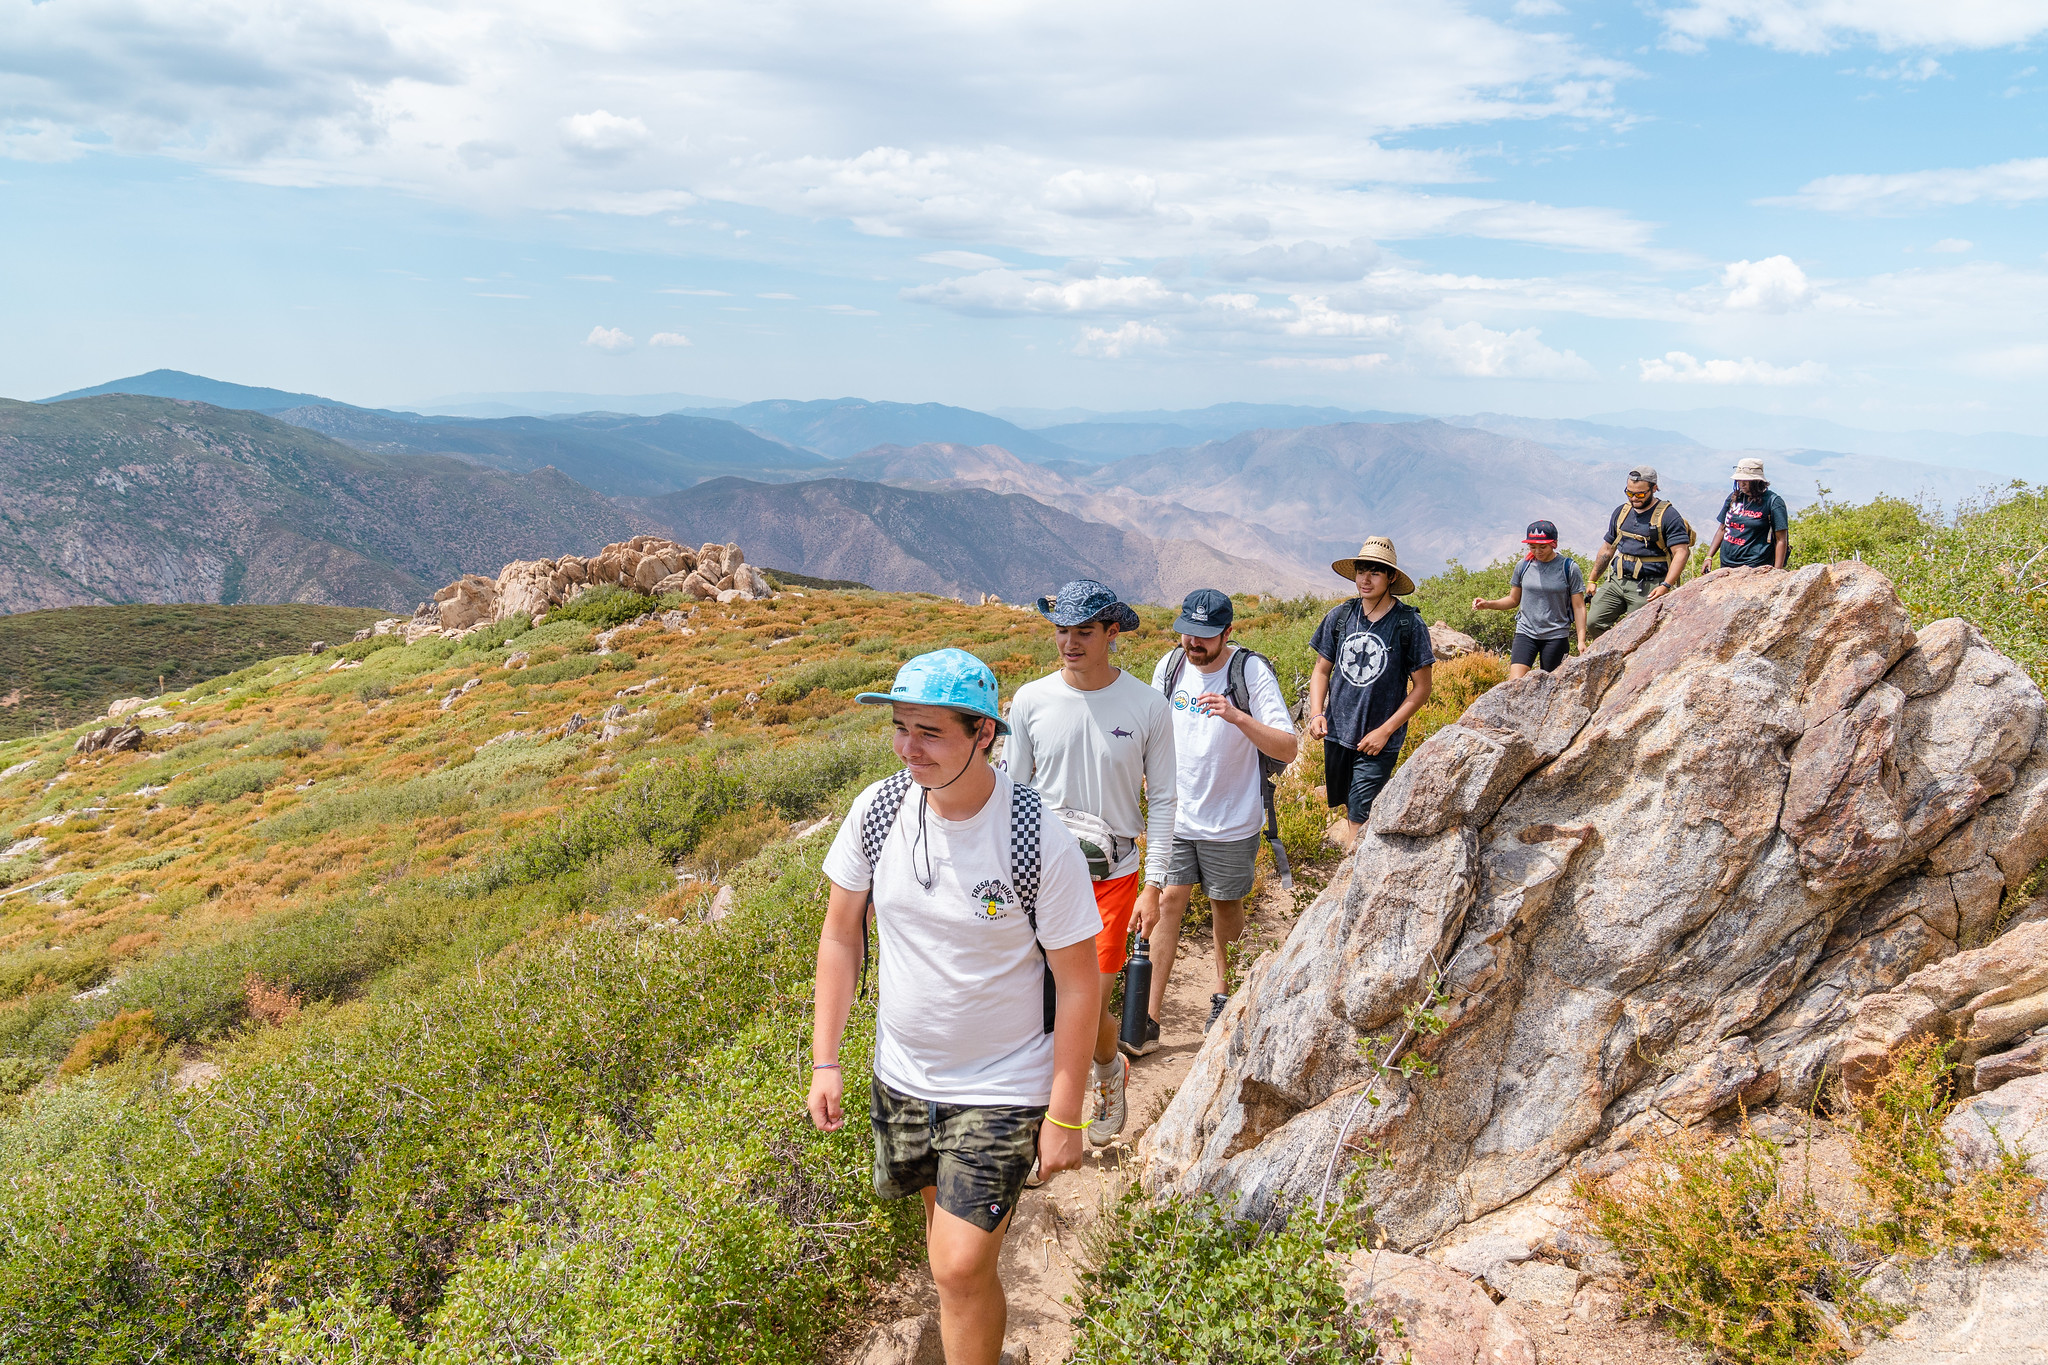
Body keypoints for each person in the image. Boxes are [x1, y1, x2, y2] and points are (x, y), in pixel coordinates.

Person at [809, 648, 1102, 1365]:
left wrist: (1065, 1113)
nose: (910, 747)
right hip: (905, 1079)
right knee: (948, 1245)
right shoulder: (878, 811)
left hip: (1003, 1085)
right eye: (902, 727)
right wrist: (825, 1057)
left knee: (958, 1264)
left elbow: (1080, 980)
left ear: (984, 735)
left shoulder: (1035, 836)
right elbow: (841, 934)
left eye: (931, 731)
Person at [1003, 580, 1175, 1147]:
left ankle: (1059, 1119)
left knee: (1086, 999)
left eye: (1083, 631)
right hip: (1040, 879)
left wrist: (1155, 884)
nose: (1070, 642)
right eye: (1062, 630)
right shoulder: (1030, 700)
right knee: (1046, 1003)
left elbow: (1166, 799)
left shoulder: (1148, 705)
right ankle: (1106, 1069)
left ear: (1112, 632)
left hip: (1114, 877)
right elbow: (1013, 792)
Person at [1140, 588, 1299, 1040]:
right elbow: (1152, 730)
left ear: (1228, 633)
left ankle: (1223, 995)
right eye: (1187, 633)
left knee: (1224, 904)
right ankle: (1149, 1015)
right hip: (1176, 815)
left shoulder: (1250, 671)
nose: (1194, 644)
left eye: (1205, 636)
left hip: (1231, 819)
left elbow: (1287, 747)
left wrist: (1238, 717)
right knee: (1169, 902)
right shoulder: (1169, 668)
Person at [1307, 537, 1434, 852]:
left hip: (1379, 740)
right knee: (1351, 806)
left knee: (1360, 811)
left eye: (1375, 572)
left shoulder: (1408, 624)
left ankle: (1351, 881)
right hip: (1338, 732)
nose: (1365, 579)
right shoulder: (1340, 617)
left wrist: (1385, 731)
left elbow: (1422, 688)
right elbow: (1321, 671)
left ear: (1391, 577)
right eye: (1361, 570)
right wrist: (1316, 713)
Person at [1586, 466, 1692, 640]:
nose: (1634, 498)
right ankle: (1611, 656)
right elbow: (1607, 549)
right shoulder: (1622, 512)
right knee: (1594, 622)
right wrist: (1592, 579)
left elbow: (1681, 552)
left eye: (1640, 494)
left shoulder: (1668, 516)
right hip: (1617, 581)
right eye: (1629, 493)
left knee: (1636, 633)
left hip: (1649, 585)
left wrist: (1666, 585)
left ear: (1654, 488)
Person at [1472, 520, 1587, 678]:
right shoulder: (1523, 566)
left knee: (1551, 686)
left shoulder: (1568, 568)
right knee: (1514, 684)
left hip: (1556, 635)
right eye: (1532, 546)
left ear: (1554, 544)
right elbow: (1513, 599)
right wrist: (1488, 604)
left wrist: (1581, 641)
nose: (1537, 551)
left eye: (1542, 546)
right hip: (1526, 632)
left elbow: (1579, 606)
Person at [1709, 457, 1790, 571]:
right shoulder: (1734, 498)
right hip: (1727, 565)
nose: (1741, 483)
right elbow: (1722, 528)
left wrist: (1777, 571)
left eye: (1746, 480)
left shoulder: (1773, 502)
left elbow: (1781, 539)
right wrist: (1709, 557)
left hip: (1756, 566)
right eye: (1739, 479)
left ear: (1757, 481)